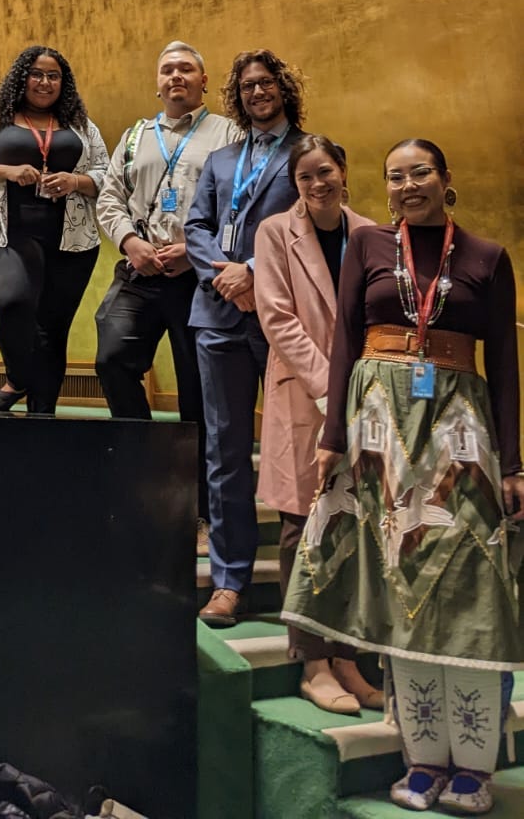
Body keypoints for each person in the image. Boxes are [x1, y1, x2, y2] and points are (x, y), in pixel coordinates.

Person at [283, 139, 524, 814]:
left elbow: (503, 361)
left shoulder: (487, 257)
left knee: (472, 597)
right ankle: (422, 762)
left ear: (447, 180)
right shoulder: (365, 247)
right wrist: (333, 440)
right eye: (395, 177)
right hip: (379, 435)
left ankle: (474, 768)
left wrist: (515, 462)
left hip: (462, 436)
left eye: (420, 173)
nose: (407, 185)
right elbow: (342, 346)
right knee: (401, 595)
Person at [254, 134, 382, 714]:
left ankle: (349, 657)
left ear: (343, 170)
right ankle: (311, 660)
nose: (316, 184)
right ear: (295, 183)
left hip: (367, 398)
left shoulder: (373, 232)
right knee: (302, 525)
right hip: (305, 394)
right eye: (305, 177)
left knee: (355, 526)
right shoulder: (276, 233)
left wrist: (362, 389)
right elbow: (278, 318)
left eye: (324, 171)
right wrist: (334, 388)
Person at [94, 41, 241, 535]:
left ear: (203, 81)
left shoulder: (229, 133)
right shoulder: (136, 135)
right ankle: (147, 475)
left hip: (199, 279)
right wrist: (130, 241)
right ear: (157, 83)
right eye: (167, 70)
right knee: (111, 357)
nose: (175, 76)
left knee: (200, 395)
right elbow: (110, 196)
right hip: (141, 271)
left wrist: (195, 252)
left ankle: (198, 510)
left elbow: (240, 205)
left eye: (186, 69)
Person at [184, 48, 305, 626]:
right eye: (249, 86)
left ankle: (302, 589)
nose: (258, 92)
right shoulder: (221, 158)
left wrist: (253, 272)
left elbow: (313, 227)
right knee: (225, 451)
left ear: (283, 88)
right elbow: (196, 226)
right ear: (237, 94)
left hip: (282, 317)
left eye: (267, 83)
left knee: (294, 449)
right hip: (217, 316)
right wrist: (227, 275)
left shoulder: (309, 152)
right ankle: (229, 584)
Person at [0, 46, 109, 416]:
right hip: (12, 232)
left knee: (52, 331)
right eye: (37, 74)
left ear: (64, 83)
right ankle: (18, 378)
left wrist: (76, 180)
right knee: (10, 302)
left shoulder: (80, 125)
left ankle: (42, 419)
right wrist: (8, 171)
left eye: (53, 76)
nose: (45, 82)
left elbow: (109, 175)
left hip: (72, 241)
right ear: (21, 77)